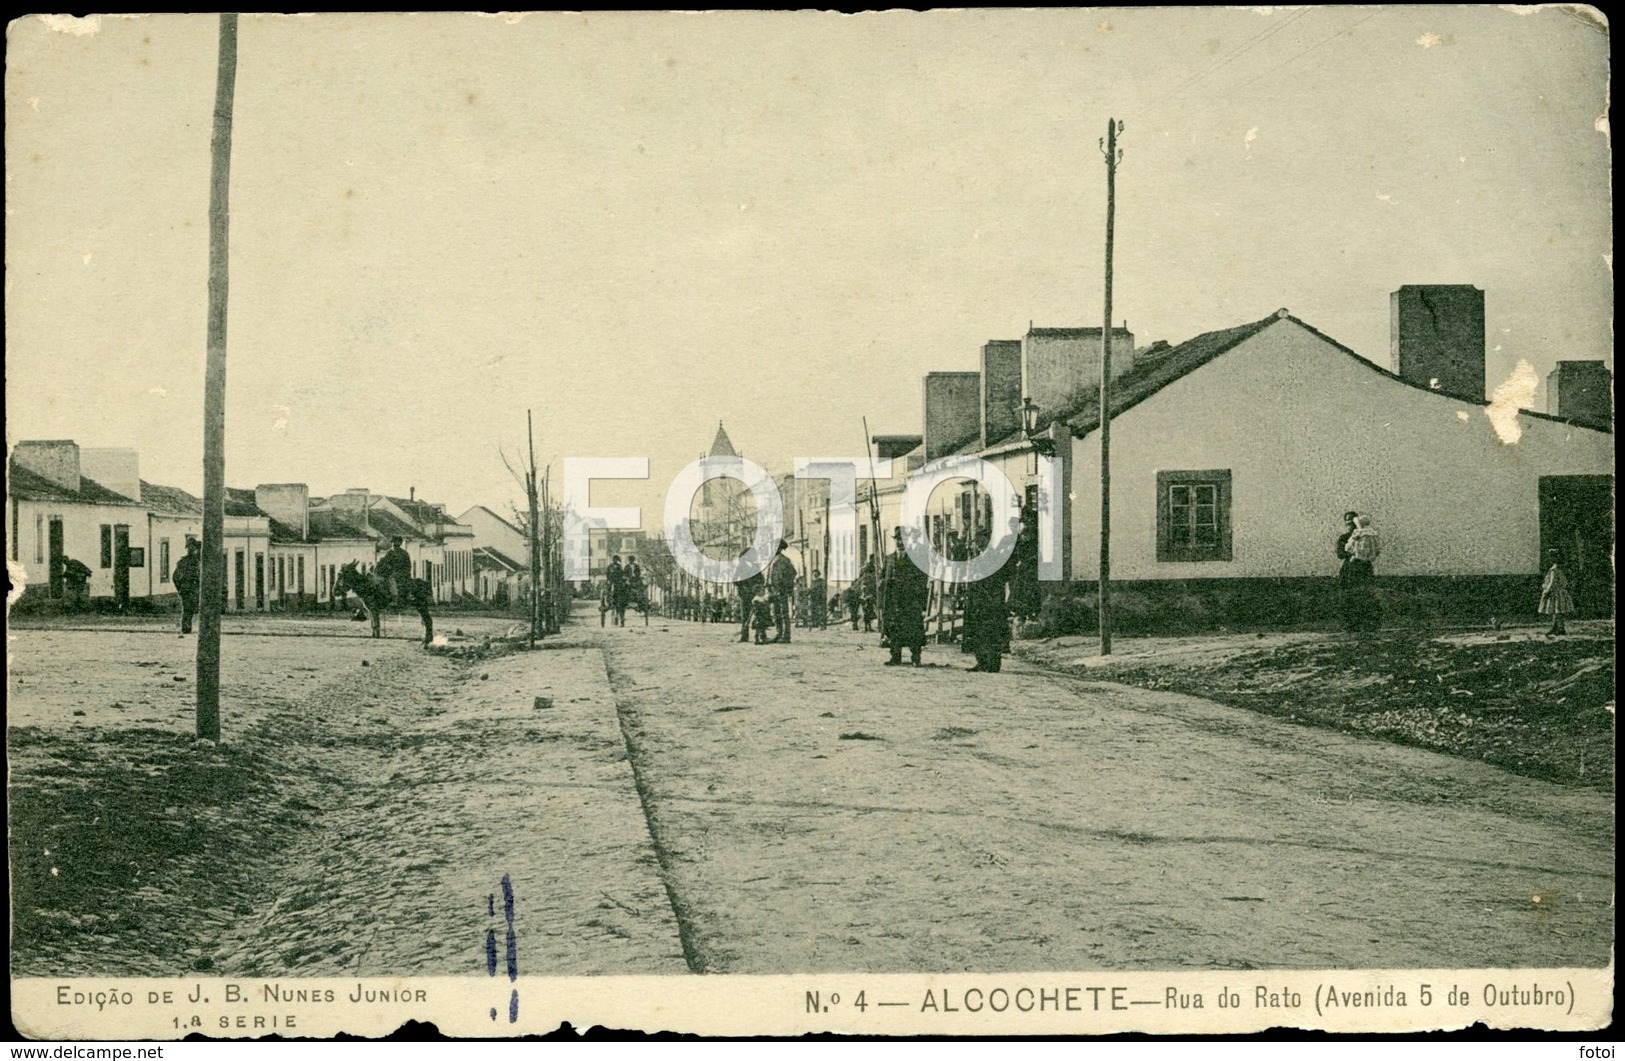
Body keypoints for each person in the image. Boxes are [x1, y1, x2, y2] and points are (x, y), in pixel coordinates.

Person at [962, 528, 1011, 672]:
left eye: (981, 540)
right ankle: (982, 661)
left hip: (991, 600)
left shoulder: (995, 556)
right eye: (977, 541)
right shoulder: (978, 556)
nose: (978, 544)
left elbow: (1000, 577)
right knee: (978, 631)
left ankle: (993, 664)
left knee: (991, 632)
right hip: (977, 600)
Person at [880, 528, 929, 666]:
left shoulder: (916, 558)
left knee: (913, 629)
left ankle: (916, 658)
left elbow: (922, 578)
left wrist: (917, 594)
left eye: (903, 539)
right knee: (894, 628)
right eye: (898, 539)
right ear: (894, 541)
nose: (900, 542)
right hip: (893, 600)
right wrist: (884, 584)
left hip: (909, 600)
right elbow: (883, 576)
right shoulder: (889, 558)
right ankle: (895, 657)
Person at [1342, 514, 1382, 633]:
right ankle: (1360, 623)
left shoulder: (1360, 535)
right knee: (1359, 595)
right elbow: (1376, 551)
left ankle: (1363, 623)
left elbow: (1348, 549)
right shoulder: (1372, 536)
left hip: (1359, 567)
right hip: (1359, 567)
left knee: (1361, 594)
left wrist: (1356, 551)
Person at [766, 539, 797, 643]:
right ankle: (779, 634)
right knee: (776, 613)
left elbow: (792, 573)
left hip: (781, 590)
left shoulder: (784, 560)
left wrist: (785, 585)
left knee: (784, 613)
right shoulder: (773, 559)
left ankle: (786, 635)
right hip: (773, 590)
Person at [1539, 549, 1574, 636]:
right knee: (1558, 611)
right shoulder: (1560, 569)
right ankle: (1558, 627)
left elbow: (1552, 583)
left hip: (1556, 593)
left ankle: (1558, 628)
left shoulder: (1554, 570)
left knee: (1557, 611)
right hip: (1561, 592)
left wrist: (1546, 592)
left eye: (1551, 557)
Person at [172, 537, 201, 634]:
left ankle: (188, 627)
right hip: (186, 590)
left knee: (191, 609)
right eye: (190, 548)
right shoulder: (183, 562)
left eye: (193, 548)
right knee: (187, 608)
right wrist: (180, 588)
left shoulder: (198, 561)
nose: (192, 550)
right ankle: (185, 628)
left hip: (195, 589)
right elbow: (175, 577)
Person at [735, 553, 765, 643]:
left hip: (754, 595)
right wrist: (742, 586)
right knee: (745, 616)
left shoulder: (756, 567)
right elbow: (734, 579)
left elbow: (761, 579)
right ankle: (744, 635)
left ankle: (759, 635)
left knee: (758, 615)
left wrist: (757, 587)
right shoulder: (740, 567)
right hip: (744, 595)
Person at [376, 536, 413, 605]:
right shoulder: (389, 552)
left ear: (399, 543)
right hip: (391, 572)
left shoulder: (404, 553)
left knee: (391, 579)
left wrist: (400, 572)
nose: (393, 544)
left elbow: (408, 566)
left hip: (402, 573)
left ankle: (395, 598)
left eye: (395, 542)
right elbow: (385, 562)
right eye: (392, 542)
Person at [856, 557, 877, 633]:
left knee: (869, 611)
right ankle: (866, 627)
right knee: (866, 611)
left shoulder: (869, 576)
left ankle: (868, 627)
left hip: (868, 594)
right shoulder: (865, 578)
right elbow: (862, 584)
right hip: (865, 595)